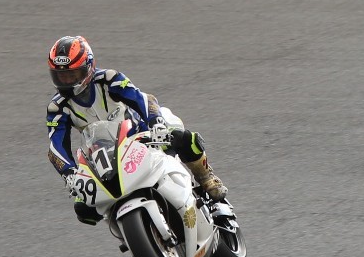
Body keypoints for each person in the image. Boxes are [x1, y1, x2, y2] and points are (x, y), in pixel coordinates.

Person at [45, 36, 227, 226]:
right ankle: (128, 229)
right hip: (104, 158)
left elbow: (143, 99)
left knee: (184, 138)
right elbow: (56, 146)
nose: (67, 81)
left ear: (88, 68)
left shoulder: (109, 79)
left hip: (141, 136)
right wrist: (69, 173)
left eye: (72, 75)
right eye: (61, 76)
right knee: (84, 210)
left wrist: (156, 123)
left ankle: (206, 177)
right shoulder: (57, 107)